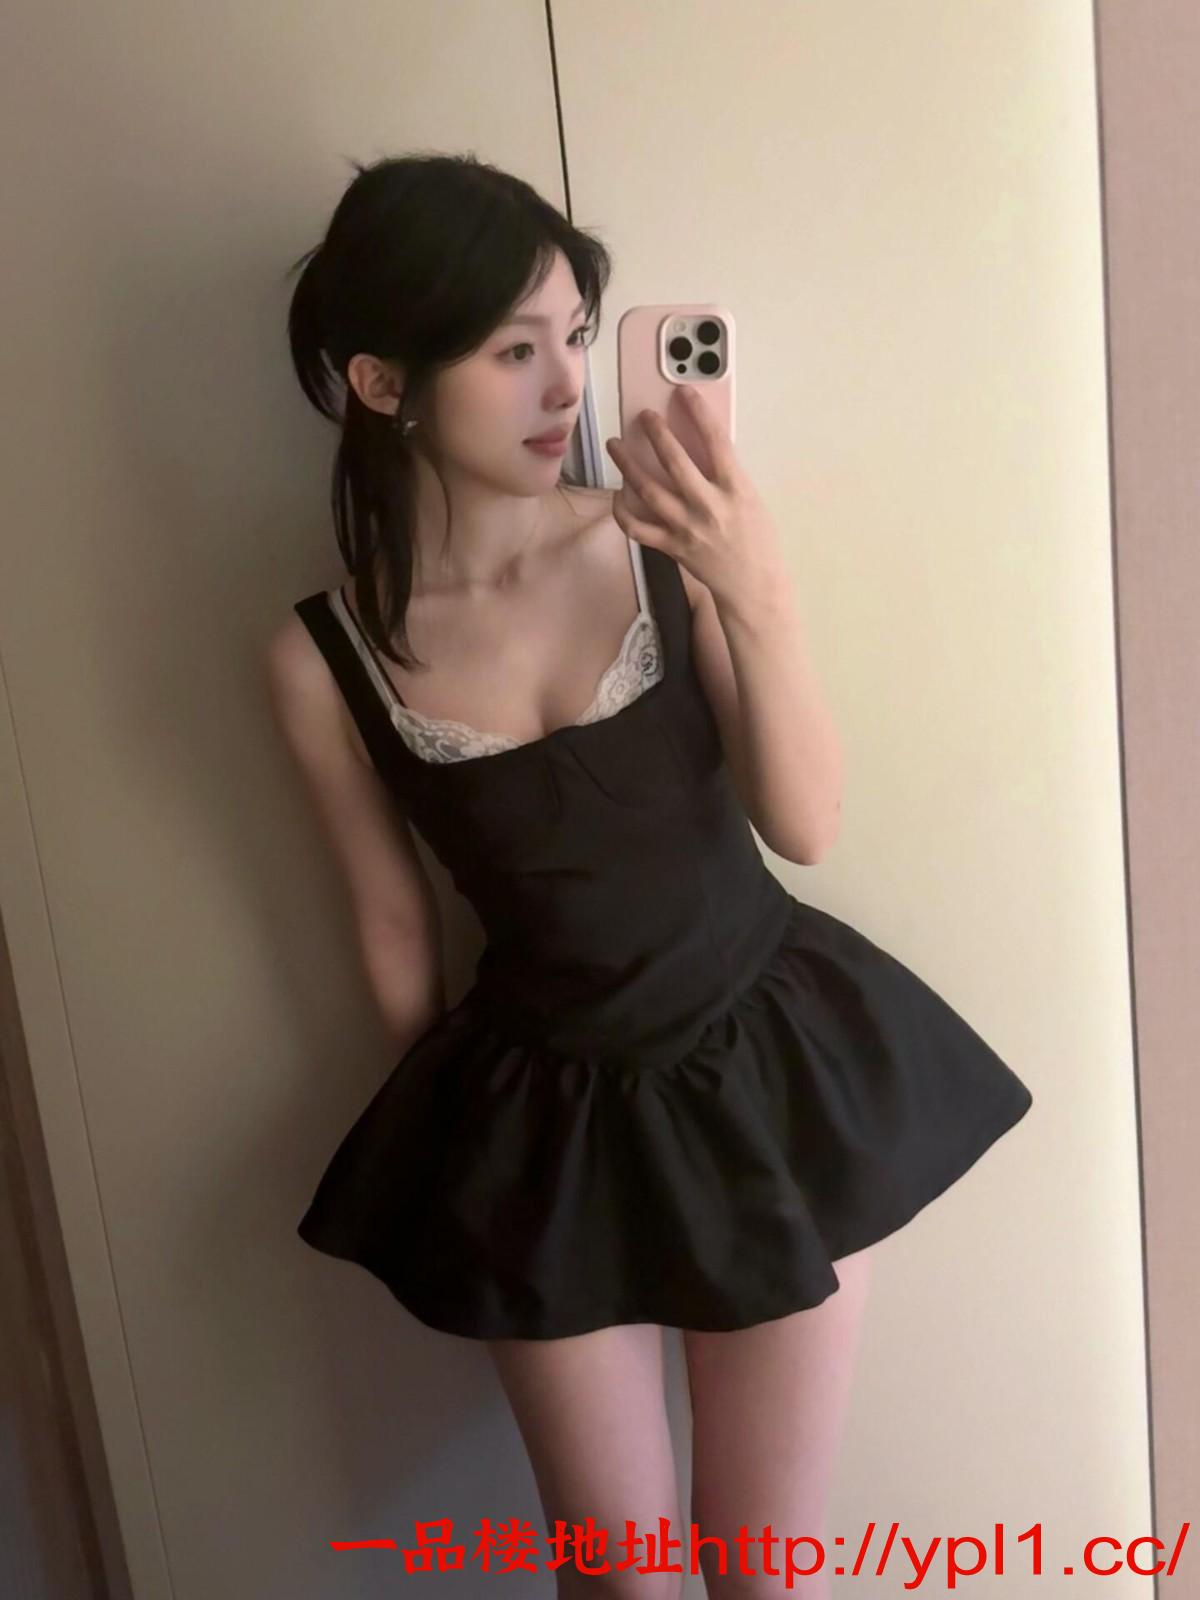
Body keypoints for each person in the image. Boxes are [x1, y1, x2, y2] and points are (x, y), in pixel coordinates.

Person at [266, 152, 1033, 1600]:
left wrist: (757, 584)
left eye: (572, 335)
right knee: (618, 1581)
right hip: (545, 1117)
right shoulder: (322, 657)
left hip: (768, 1070)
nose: (565, 384)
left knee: (760, 1573)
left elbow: (806, 823)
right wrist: (450, 1156)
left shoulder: (661, 545)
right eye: (512, 349)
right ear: (382, 384)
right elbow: (388, 920)